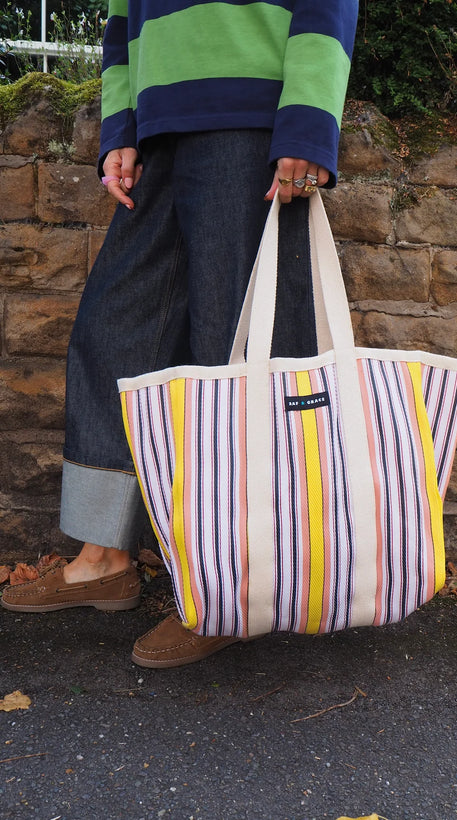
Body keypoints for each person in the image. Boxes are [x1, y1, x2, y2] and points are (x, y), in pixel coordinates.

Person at [1, 0, 359, 668]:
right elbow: (120, 21)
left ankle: (230, 591)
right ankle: (105, 555)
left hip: (251, 121)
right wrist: (122, 127)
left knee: (236, 356)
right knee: (114, 331)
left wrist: (308, 123)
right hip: (161, 130)